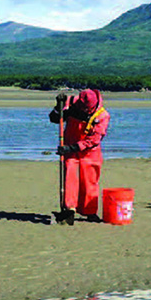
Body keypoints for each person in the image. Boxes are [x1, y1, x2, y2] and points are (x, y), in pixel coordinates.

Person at [49, 89, 110, 225]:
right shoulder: (70, 103)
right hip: (70, 148)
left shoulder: (102, 116)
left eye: (86, 109)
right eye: (82, 108)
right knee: (70, 178)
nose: (84, 110)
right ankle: (69, 209)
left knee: (90, 182)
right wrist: (58, 106)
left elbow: (94, 140)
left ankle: (90, 212)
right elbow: (54, 119)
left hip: (90, 151)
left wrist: (71, 148)